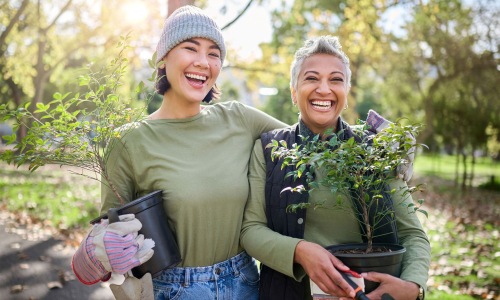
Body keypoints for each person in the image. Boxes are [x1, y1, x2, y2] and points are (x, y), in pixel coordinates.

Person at [71, 6, 410, 299]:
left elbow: (314, 137)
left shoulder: (239, 118)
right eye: (191, 48)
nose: (203, 62)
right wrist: (94, 256)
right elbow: (110, 232)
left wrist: (377, 142)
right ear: (164, 57)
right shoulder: (128, 141)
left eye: (214, 53)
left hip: (247, 284)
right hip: (173, 290)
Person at [240, 36, 431, 300]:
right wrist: (299, 251)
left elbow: (412, 233)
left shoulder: (376, 151)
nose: (324, 89)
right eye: (311, 78)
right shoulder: (270, 149)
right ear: (294, 92)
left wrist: (413, 286)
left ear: (347, 93)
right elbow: (251, 230)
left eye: (335, 80)